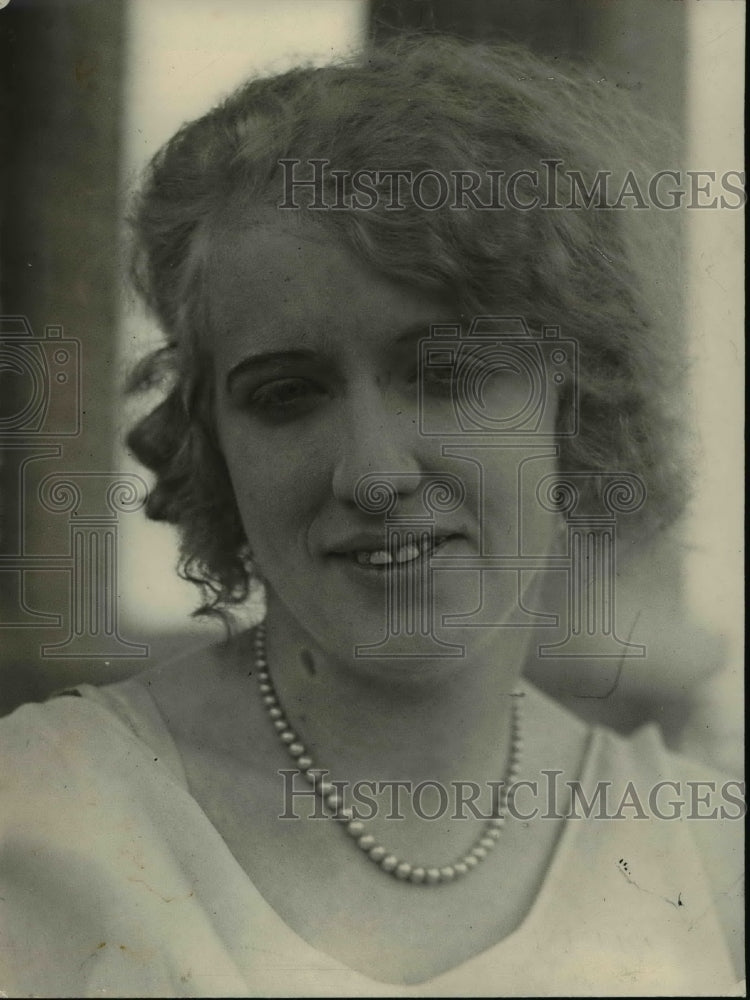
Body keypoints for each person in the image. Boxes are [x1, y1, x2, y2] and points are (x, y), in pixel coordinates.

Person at [0, 36, 743, 997]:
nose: (375, 472)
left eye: (447, 375)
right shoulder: (39, 823)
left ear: (573, 398)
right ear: (212, 444)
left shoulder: (705, 858)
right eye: (286, 395)